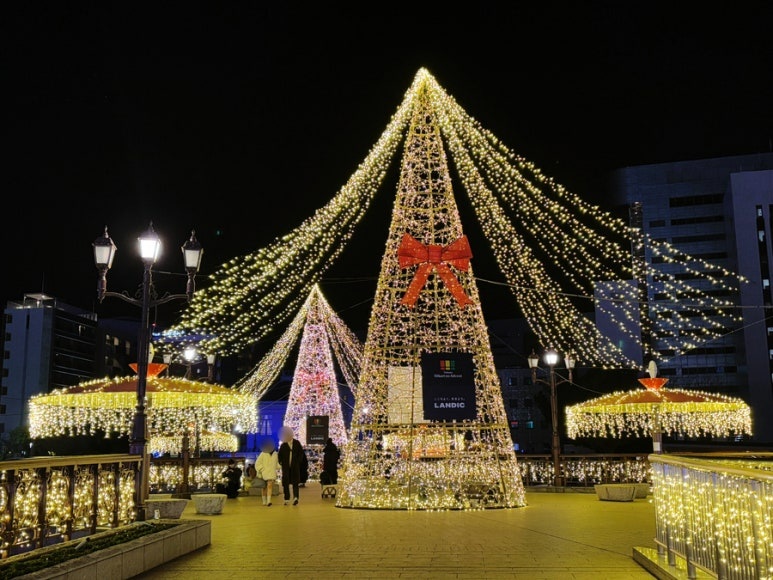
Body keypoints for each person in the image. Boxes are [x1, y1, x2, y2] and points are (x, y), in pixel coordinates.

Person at [277, 426, 306, 506]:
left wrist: (298, 462)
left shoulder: (297, 443)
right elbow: (279, 455)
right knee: (285, 483)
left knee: (295, 483)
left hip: (294, 467)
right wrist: (281, 462)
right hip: (286, 467)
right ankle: (286, 498)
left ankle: (296, 497)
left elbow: (301, 453)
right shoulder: (284, 445)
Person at [255, 439, 279, 506]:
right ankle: (264, 501)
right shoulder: (263, 453)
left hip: (271, 473)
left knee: (269, 486)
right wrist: (262, 470)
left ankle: (269, 501)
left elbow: (277, 464)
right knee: (264, 487)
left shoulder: (275, 454)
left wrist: (283, 466)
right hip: (264, 474)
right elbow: (257, 463)